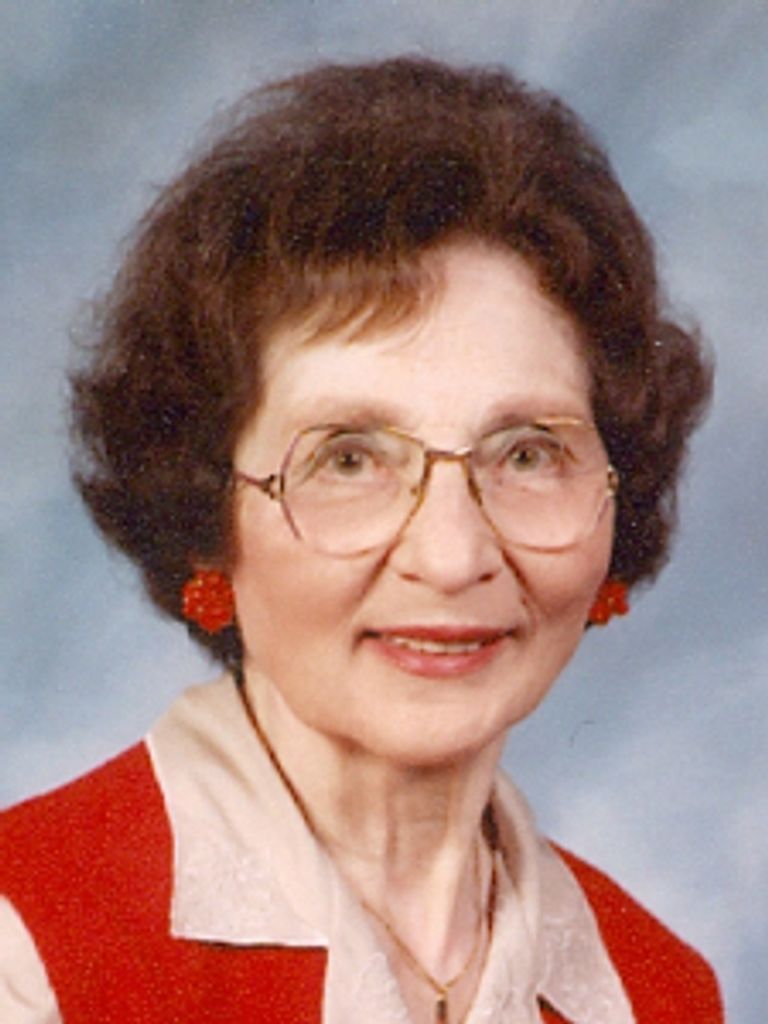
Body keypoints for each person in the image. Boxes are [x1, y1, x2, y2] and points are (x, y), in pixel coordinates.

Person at [0, 56, 722, 1023]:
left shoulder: (657, 990)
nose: (453, 557)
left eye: (527, 453)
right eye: (347, 460)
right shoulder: (28, 945)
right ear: (207, 517)